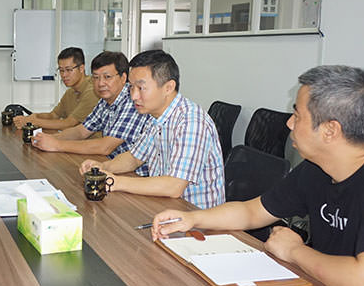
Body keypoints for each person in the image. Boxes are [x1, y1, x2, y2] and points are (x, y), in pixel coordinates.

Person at [152, 65, 364, 286]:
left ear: (330, 130)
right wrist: (193, 219)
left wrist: (295, 251)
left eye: (297, 115)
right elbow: (252, 212)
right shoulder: (317, 168)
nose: (289, 123)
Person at [80, 50, 224, 209]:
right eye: (131, 87)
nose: (134, 96)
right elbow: (134, 158)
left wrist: (116, 182)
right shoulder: (154, 116)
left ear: (168, 87)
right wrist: (102, 168)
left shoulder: (191, 122)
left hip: (195, 215)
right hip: (164, 206)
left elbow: (173, 186)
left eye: (141, 88)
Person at [31, 51, 150, 175]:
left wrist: (57, 145)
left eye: (107, 77)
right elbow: (81, 131)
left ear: (123, 78)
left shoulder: (133, 101)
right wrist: (47, 139)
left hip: (134, 175)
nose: (100, 83)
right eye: (96, 77)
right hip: (112, 166)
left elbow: (105, 147)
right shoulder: (105, 101)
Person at [12, 47, 99, 131]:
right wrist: (34, 116)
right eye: (61, 70)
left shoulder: (93, 91)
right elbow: (54, 115)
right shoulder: (70, 92)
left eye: (68, 70)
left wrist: (33, 121)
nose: (64, 75)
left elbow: (69, 123)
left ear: (81, 68)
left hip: (89, 140)